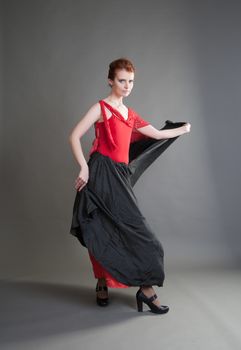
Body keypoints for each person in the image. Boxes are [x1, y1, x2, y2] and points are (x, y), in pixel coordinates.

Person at [69, 57, 191, 314]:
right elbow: (74, 135)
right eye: (122, 81)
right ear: (110, 80)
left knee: (137, 232)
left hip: (119, 178)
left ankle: (145, 289)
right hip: (100, 175)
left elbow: (156, 135)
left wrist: (182, 130)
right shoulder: (101, 108)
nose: (127, 86)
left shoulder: (130, 114)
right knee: (99, 228)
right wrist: (83, 167)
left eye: (131, 81)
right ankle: (105, 282)